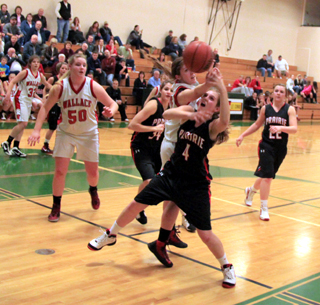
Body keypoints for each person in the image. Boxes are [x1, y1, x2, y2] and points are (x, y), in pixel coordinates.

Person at [87, 68, 236, 289]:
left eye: (211, 98)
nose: (205, 98)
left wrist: (221, 87)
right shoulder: (189, 110)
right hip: (171, 173)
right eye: (204, 95)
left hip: (195, 184)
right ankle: (111, 234)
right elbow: (166, 115)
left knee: (205, 234)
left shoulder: (214, 126)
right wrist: (190, 113)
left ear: (216, 108)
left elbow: (225, 119)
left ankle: (226, 266)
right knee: (138, 203)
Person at [27, 54, 119, 222]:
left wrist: (111, 111)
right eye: (78, 64)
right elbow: (44, 108)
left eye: (84, 64)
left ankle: (93, 189)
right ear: (70, 67)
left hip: (88, 134)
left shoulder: (92, 85)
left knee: (92, 173)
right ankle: (56, 205)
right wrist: (36, 130)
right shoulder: (60, 87)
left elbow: (114, 103)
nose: (82, 67)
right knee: (60, 171)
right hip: (66, 132)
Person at [236, 84, 297, 221]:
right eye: (276, 91)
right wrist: (242, 135)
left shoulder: (289, 109)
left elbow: (294, 129)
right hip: (266, 145)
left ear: (285, 95)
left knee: (266, 176)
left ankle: (250, 191)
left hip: (281, 148)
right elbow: (257, 125)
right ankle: (264, 208)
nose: (278, 93)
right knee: (268, 177)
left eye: (281, 91)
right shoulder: (266, 109)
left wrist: (281, 128)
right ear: (272, 94)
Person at [128, 80, 173, 224]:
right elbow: (132, 125)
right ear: (161, 90)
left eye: (171, 90)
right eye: (166, 89)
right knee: (148, 180)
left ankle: (179, 218)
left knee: (170, 181)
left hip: (157, 148)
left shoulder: (171, 108)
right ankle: (137, 208)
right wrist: (154, 129)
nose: (168, 92)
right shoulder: (154, 105)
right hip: (141, 146)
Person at [1, 55, 51, 157]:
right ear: (30, 63)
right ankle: (7, 142)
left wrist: (60, 88)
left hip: (28, 100)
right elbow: (13, 82)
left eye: (37, 62)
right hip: (20, 98)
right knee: (23, 123)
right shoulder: (25, 72)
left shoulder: (40, 76)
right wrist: (8, 94)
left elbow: (47, 84)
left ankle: (16, 147)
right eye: (34, 62)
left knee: (22, 124)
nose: (36, 64)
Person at [41, 62, 69, 154]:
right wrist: (44, 98)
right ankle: (45, 145)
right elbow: (45, 88)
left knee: (62, 126)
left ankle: (60, 146)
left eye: (66, 68)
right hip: (53, 104)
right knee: (52, 127)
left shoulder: (67, 80)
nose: (64, 70)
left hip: (62, 105)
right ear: (59, 69)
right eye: (62, 68)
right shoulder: (53, 78)